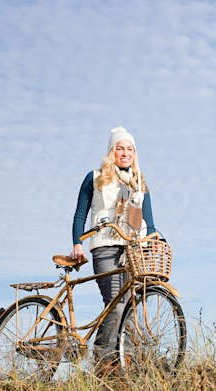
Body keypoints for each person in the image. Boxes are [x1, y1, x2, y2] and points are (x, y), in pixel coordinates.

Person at [70, 126, 156, 374]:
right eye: (120, 148)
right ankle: (103, 361)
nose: (125, 153)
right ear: (112, 151)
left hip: (132, 250)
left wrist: (155, 241)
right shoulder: (95, 177)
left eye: (130, 149)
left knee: (130, 306)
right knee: (115, 304)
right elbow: (79, 214)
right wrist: (77, 243)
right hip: (105, 246)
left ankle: (123, 363)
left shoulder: (140, 183)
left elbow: (149, 223)